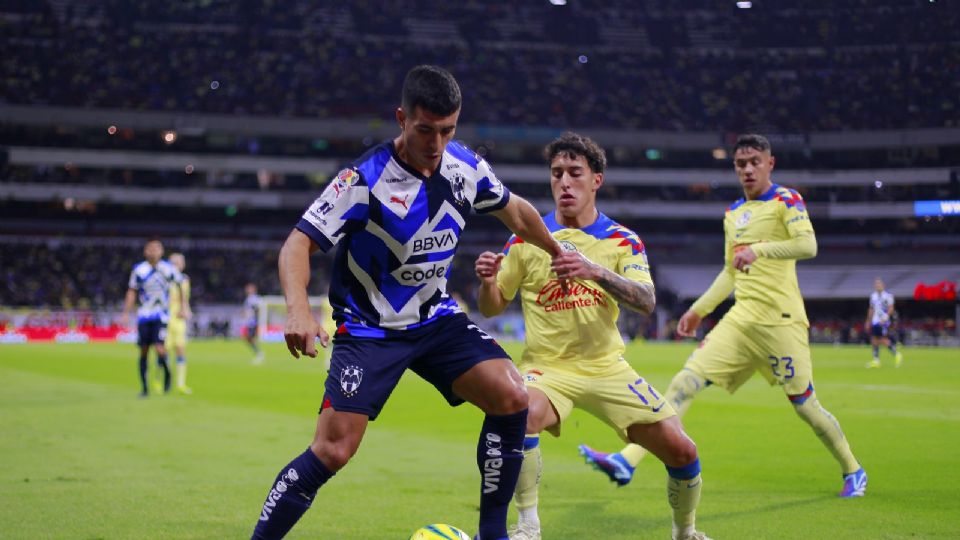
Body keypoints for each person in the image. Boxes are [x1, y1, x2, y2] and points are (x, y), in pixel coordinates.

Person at [250, 65, 564, 540]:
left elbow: (515, 209)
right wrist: (298, 309)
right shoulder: (364, 179)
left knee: (511, 396)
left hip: (434, 320)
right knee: (334, 450)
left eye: (447, 130)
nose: (436, 142)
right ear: (401, 118)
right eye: (425, 130)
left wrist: (560, 251)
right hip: (370, 329)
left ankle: (493, 535)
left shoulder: (465, 168)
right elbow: (298, 243)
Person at [578, 134, 867, 499]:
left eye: (754, 162)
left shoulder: (786, 200)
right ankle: (627, 461)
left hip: (781, 322)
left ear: (770, 164)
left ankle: (853, 470)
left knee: (805, 405)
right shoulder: (733, 213)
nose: (747, 169)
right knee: (685, 383)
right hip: (740, 322)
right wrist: (699, 310)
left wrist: (759, 250)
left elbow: (808, 245)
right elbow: (731, 271)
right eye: (740, 164)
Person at [475, 132, 708, 540]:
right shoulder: (526, 237)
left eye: (574, 173)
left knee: (683, 451)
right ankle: (528, 527)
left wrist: (594, 270)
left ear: (596, 180)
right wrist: (488, 282)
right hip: (547, 370)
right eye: (556, 173)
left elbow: (647, 301)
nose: (564, 182)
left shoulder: (621, 240)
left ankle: (685, 532)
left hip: (606, 368)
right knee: (521, 416)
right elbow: (493, 306)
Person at [121, 239, 190, 397]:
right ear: (145, 251)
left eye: (156, 248)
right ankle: (144, 388)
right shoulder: (139, 270)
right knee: (144, 351)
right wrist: (126, 312)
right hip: (144, 315)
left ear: (161, 251)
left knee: (159, 348)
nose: (153, 251)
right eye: (150, 249)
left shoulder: (168, 269)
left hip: (161, 315)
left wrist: (184, 307)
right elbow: (132, 291)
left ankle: (167, 374)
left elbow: (180, 284)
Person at [164, 252, 193, 394]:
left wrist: (186, 310)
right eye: (174, 262)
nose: (178, 265)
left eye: (180, 262)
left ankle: (181, 383)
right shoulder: (164, 279)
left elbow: (185, 298)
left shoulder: (185, 280)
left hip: (179, 319)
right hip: (165, 317)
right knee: (163, 351)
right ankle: (163, 381)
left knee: (181, 349)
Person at [866, 277, 902, 368]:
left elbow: (891, 307)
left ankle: (897, 354)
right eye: (876, 284)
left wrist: (886, 316)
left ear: (883, 285)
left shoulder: (888, 296)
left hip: (883, 321)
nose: (878, 285)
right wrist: (868, 320)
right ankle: (876, 360)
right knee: (874, 339)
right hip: (875, 321)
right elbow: (871, 309)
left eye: (879, 284)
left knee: (882, 339)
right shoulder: (873, 296)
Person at [243, 283, 265, 364]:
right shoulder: (248, 299)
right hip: (249, 322)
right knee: (248, 338)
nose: (247, 290)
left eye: (249, 288)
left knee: (250, 338)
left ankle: (259, 354)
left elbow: (257, 309)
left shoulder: (255, 298)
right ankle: (258, 353)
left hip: (253, 322)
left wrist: (256, 319)